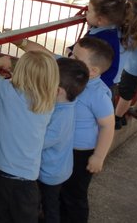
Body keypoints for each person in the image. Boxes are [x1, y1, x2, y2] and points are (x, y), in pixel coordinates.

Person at [0, 51, 60, 223]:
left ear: (19, 72)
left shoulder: (7, 90)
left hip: (0, 177)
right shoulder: (49, 102)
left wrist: (1, 60)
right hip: (28, 181)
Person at [59, 37, 115, 223]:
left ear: (92, 71)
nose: (69, 58)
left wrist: (99, 156)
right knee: (58, 188)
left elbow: (107, 126)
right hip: (63, 146)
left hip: (81, 153)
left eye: (75, 57)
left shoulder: (98, 94)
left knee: (74, 194)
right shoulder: (70, 78)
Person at [38, 58, 89, 223]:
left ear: (58, 91)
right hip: (59, 168)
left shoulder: (61, 117)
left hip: (49, 174)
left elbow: (41, 142)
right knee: (50, 203)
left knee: (50, 208)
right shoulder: (68, 103)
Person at [68, 0, 137, 89]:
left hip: (95, 86)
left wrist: (70, 54)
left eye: (90, 10)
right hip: (103, 84)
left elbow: (89, 58)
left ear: (100, 19)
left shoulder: (102, 39)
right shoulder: (110, 32)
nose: (86, 12)